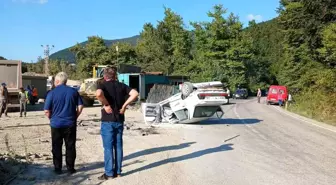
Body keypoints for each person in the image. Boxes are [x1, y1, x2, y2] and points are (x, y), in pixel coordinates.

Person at [96, 67, 139, 180]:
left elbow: (98, 93)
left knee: (108, 147)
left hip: (107, 120)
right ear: (115, 76)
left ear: (105, 76)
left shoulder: (102, 84)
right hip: (119, 119)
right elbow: (135, 93)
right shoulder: (121, 86)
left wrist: (106, 104)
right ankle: (118, 171)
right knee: (118, 146)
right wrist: (124, 106)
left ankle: (109, 173)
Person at [44, 72, 84, 175]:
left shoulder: (51, 93)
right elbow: (80, 107)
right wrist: (75, 117)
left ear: (57, 81)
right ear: (65, 81)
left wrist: (51, 119)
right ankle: (70, 168)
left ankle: (58, 168)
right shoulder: (73, 91)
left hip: (56, 124)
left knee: (56, 146)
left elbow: (47, 111)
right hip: (70, 123)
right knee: (70, 146)